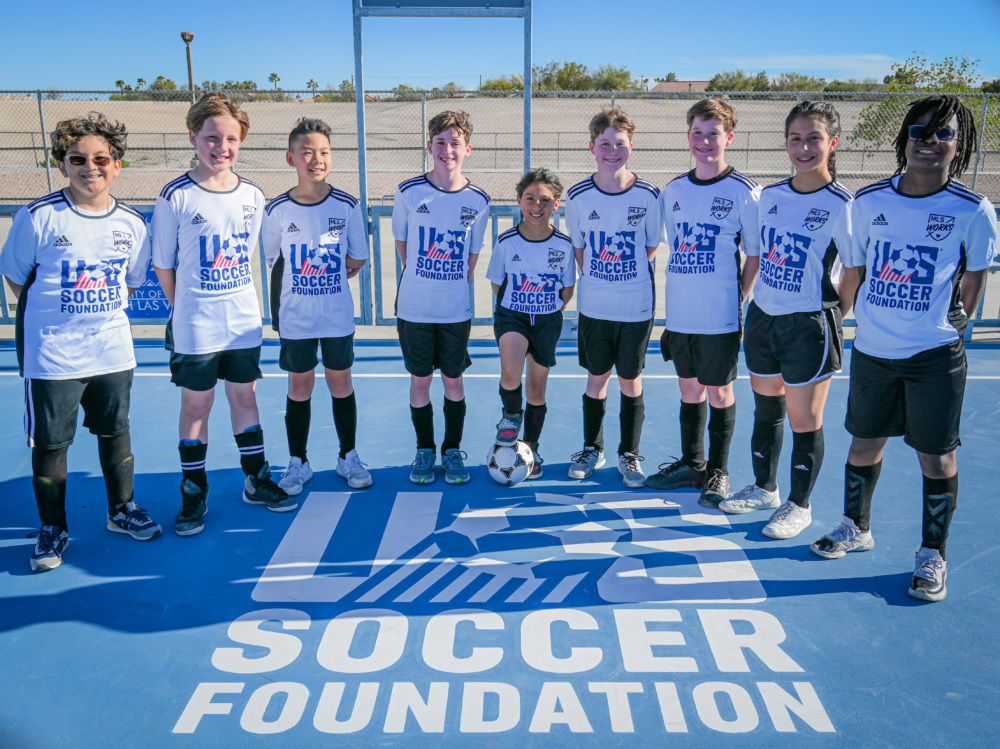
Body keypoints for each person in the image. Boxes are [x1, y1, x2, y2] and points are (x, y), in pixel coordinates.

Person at [809, 94, 996, 602]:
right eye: (919, 132)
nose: (930, 142)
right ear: (904, 141)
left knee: (935, 458)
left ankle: (932, 554)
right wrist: (844, 321)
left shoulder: (972, 211)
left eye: (944, 134)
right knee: (864, 443)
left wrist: (951, 325)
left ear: (959, 146)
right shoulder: (869, 203)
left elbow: (975, 277)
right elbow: (856, 268)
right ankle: (856, 526)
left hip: (934, 357)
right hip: (873, 352)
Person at [0, 112, 161, 571]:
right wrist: (60, 319)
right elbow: (17, 281)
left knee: (116, 432)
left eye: (101, 159)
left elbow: (128, 283)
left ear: (117, 166)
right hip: (52, 357)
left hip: (111, 351)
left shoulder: (131, 223)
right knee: (52, 445)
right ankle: (53, 528)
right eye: (78, 159)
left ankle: (121, 510)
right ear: (62, 164)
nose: (91, 167)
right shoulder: (38, 217)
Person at [153, 92, 294, 537]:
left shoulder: (253, 195)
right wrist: (186, 309)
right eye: (212, 137)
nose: (221, 147)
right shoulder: (175, 196)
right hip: (196, 324)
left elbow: (251, 253)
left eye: (231, 139)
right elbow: (164, 264)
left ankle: (255, 478)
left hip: (242, 322)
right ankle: (194, 488)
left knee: (245, 398)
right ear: (193, 137)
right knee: (197, 403)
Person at [718, 101, 856, 540]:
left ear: (832, 143)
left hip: (809, 324)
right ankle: (765, 488)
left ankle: (800, 504)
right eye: (795, 138)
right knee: (767, 408)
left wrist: (832, 314)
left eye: (814, 138)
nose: (804, 147)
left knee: (804, 420)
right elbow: (757, 254)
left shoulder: (844, 204)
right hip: (763, 318)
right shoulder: (770, 197)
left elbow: (854, 271)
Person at [646, 98, 761, 506]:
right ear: (688, 137)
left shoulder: (745, 192)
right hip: (681, 314)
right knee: (689, 391)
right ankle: (692, 465)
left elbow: (755, 254)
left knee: (719, 394)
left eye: (713, 133)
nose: (705, 141)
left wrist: (738, 297)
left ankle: (718, 472)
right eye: (697, 133)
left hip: (719, 317)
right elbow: (658, 245)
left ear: (728, 137)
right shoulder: (674, 190)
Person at [262, 117, 371, 493]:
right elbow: (274, 259)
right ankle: (298, 462)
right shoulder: (277, 209)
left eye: (323, 152)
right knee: (300, 385)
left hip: (336, 316)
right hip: (296, 318)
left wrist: (330, 274)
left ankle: (348, 457)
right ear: (291, 158)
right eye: (306, 152)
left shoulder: (346, 204)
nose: (316, 159)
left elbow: (356, 258)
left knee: (341, 382)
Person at [564, 108, 662, 488]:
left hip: (635, 306)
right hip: (595, 306)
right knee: (596, 378)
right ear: (592, 147)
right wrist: (603, 275)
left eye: (620, 143)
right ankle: (592, 447)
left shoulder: (649, 194)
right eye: (605, 143)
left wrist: (625, 273)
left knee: (630, 380)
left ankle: (629, 453)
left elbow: (650, 246)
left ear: (631, 147)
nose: (612, 150)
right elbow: (579, 249)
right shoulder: (577, 196)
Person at [392, 111, 491, 484]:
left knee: (452, 380)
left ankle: (451, 450)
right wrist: (423, 277)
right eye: (440, 142)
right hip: (415, 307)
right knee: (420, 381)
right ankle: (424, 450)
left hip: (454, 309)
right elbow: (403, 247)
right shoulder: (409, 191)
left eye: (455, 143)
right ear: (429, 146)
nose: (447, 150)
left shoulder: (478, 199)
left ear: (468, 148)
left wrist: (448, 283)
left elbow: (471, 257)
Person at [486, 168, 576, 477]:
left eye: (545, 200)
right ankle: (510, 416)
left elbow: (567, 290)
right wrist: (519, 305)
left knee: (536, 388)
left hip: (548, 319)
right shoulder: (507, 241)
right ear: (519, 201)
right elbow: (498, 284)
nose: (537, 206)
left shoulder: (564, 245)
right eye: (530, 199)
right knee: (511, 370)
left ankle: (530, 447)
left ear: (557, 204)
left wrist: (546, 306)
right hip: (513, 315)